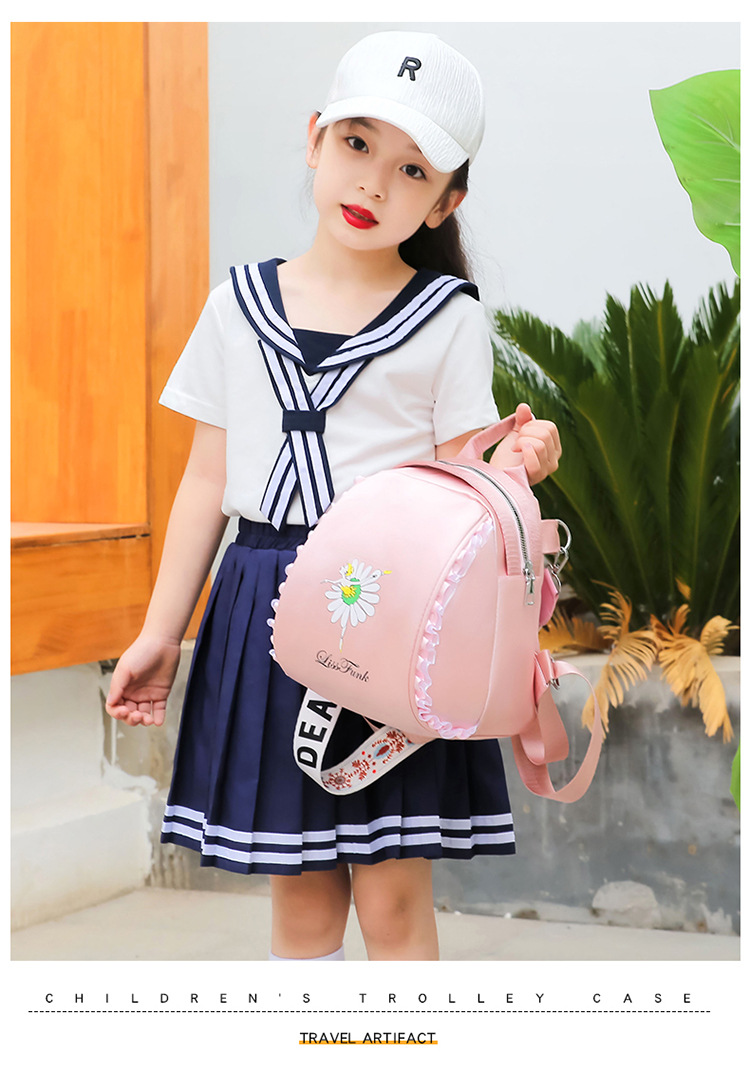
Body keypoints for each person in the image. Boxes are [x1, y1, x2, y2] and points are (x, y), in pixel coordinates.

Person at [105, 30, 561, 962]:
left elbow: (463, 497)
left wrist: (519, 463)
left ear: (446, 200)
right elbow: (206, 482)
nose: (374, 184)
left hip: (389, 614)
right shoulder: (236, 305)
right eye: (357, 143)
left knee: (392, 899)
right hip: (260, 609)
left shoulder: (447, 319)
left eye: (411, 169)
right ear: (314, 138)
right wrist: (160, 632)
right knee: (302, 899)